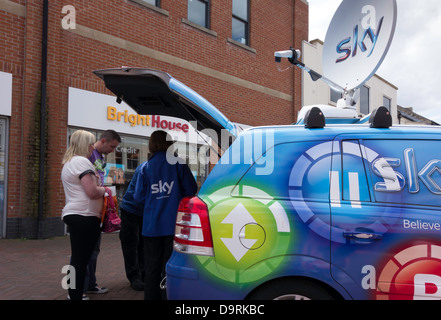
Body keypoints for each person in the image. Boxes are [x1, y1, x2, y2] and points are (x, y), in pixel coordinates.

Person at [134, 130, 198, 300]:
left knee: (151, 267)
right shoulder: (178, 163)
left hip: (151, 227)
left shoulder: (145, 167)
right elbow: (191, 189)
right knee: (169, 266)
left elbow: (138, 197)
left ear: (152, 144)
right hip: (173, 225)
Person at [61, 130, 109, 300]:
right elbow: (92, 192)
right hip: (85, 215)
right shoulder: (82, 162)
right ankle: (74, 294)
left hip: (76, 214)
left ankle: (72, 292)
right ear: (83, 144)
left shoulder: (69, 162)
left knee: (78, 258)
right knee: (81, 260)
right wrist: (106, 190)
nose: (91, 147)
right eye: (90, 143)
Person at [85, 129, 121, 296]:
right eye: (112, 147)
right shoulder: (90, 155)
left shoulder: (100, 157)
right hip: (87, 210)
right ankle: (80, 287)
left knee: (94, 250)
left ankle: (90, 284)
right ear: (104, 140)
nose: (113, 151)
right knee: (83, 252)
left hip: (98, 209)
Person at [119, 164, 146, 291]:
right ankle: (134, 277)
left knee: (143, 243)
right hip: (131, 209)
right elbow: (138, 196)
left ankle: (143, 275)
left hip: (145, 211)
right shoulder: (145, 168)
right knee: (131, 243)